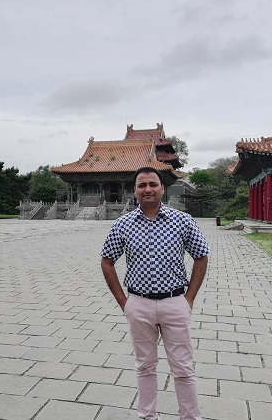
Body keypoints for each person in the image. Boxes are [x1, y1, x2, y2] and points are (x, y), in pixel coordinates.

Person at [100, 167, 210, 420]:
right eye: (141, 185)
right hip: (139, 304)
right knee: (145, 366)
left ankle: (190, 417)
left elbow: (201, 256)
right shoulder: (123, 224)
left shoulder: (182, 221)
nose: (147, 189)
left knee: (182, 368)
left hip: (175, 301)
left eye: (152, 184)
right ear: (135, 190)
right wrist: (124, 303)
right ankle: (147, 416)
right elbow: (107, 261)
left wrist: (189, 298)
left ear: (162, 188)